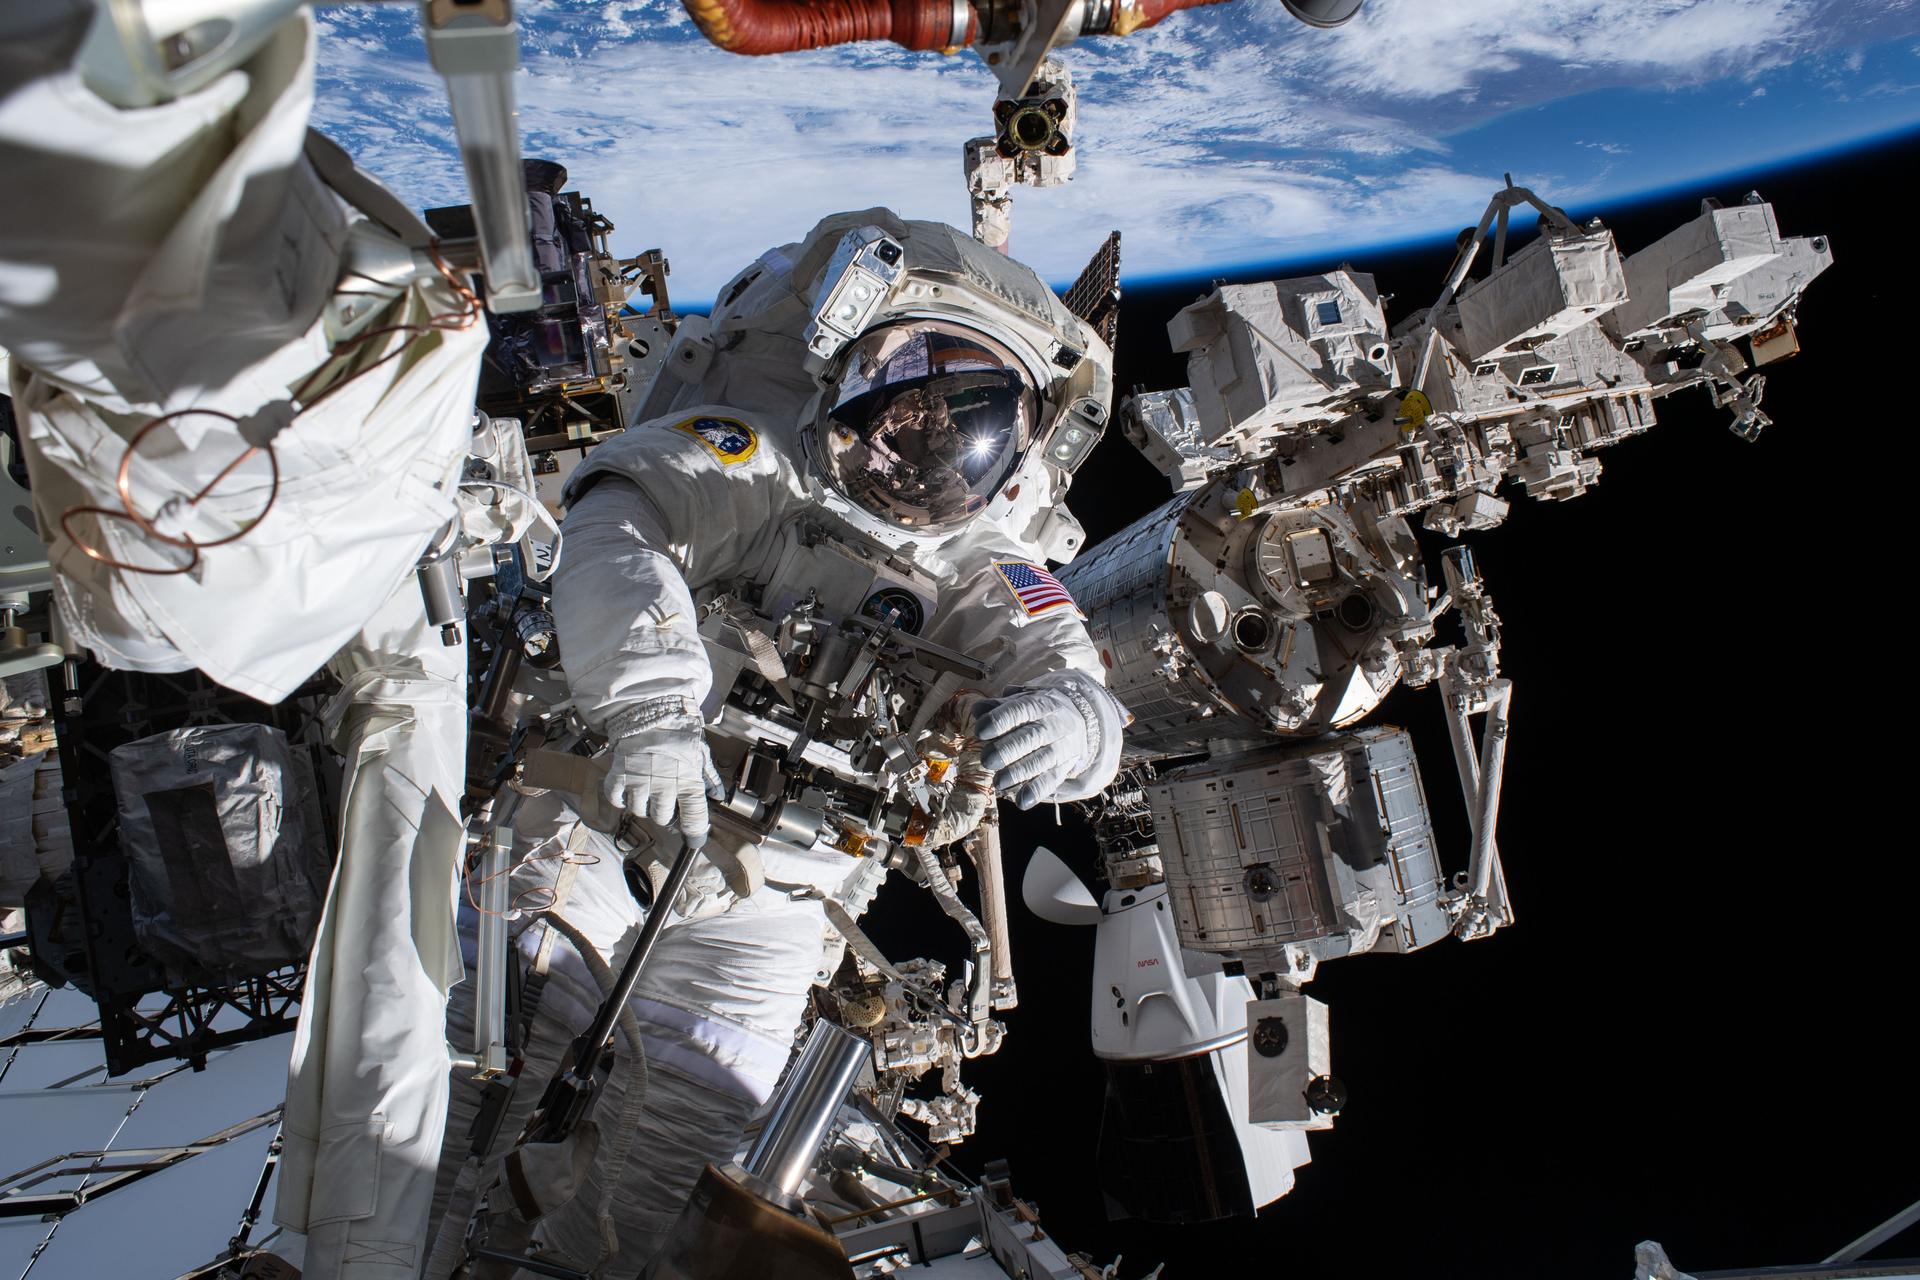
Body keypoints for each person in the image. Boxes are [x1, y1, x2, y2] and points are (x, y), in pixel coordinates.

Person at [420, 211, 1127, 1276]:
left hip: (780, 898)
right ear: (845, 382)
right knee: (483, 1104)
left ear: (1006, 450)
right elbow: (622, 508)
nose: (925, 431)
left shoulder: (987, 568)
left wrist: (1077, 721)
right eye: (904, 384)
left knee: (656, 1173)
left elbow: (1070, 670)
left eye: (964, 411)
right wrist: (654, 710)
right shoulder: (753, 463)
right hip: (614, 821)